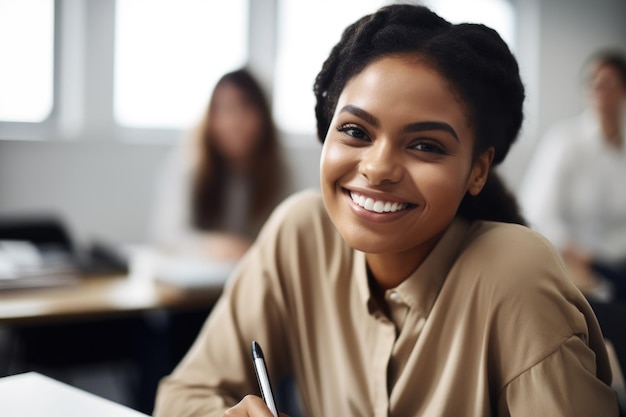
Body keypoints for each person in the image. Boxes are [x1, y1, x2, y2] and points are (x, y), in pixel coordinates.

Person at [153, 5, 619, 416]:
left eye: (424, 145)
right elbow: (181, 396)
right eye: (356, 131)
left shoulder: (515, 271)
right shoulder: (300, 233)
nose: (377, 168)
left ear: (478, 170)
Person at [150, 68, 289, 262]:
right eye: (225, 110)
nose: (235, 121)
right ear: (210, 118)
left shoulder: (279, 172)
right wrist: (213, 246)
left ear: (263, 117)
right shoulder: (188, 165)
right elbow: (167, 235)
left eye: (245, 107)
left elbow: (291, 234)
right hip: (199, 278)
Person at [520, 50, 626, 302]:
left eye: (608, 80)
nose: (598, 86)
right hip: (580, 264)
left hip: (619, 263)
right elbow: (537, 213)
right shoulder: (564, 142)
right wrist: (577, 255)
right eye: (592, 80)